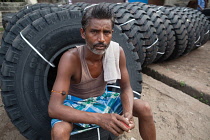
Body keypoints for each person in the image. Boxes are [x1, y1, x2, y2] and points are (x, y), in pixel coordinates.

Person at [48, 4, 156, 140]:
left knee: (144, 107)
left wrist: (128, 113)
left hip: (103, 99)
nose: (101, 39)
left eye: (107, 32)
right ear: (83, 33)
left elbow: (126, 87)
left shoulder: (117, 52)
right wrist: (100, 118)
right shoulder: (70, 58)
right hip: (75, 104)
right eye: (94, 31)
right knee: (59, 131)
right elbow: (54, 108)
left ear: (112, 33)